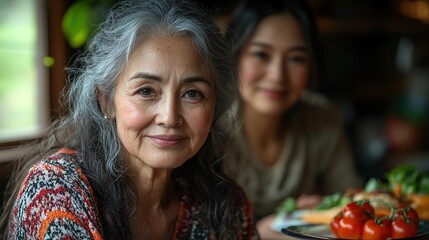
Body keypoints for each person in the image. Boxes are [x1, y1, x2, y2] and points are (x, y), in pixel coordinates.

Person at [0, 0, 259, 239]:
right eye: (146, 91)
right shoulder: (55, 191)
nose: (169, 117)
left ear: (215, 105)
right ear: (106, 101)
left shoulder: (225, 207)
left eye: (193, 94)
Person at [224, 0, 363, 237]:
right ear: (233, 56)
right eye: (261, 54)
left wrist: (330, 206)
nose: (278, 75)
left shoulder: (322, 118)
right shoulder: (208, 125)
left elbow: (354, 201)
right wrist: (256, 233)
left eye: (296, 58)